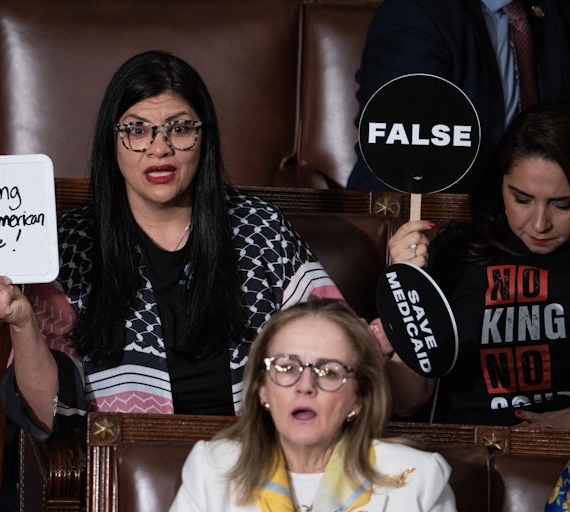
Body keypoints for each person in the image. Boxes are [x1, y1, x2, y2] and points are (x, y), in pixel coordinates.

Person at [0, 50, 342, 440]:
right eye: (137, 130)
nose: (160, 148)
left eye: (180, 128)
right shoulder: (70, 246)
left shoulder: (259, 228)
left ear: (204, 137)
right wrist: (22, 322)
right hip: (130, 470)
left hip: (255, 462)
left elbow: (343, 354)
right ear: (113, 141)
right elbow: (52, 414)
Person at [372, 100, 570, 426]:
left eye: (562, 205)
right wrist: (404, 288)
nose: (539, 224)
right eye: (521, 199)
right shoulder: (454, 252)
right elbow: (409, 402)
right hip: (464, 453)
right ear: (499, 186)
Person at [170, 296, 456, 512]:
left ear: (359, 397)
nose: (305, 386)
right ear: (262, 391)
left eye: (329, 372)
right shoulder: (211, 470)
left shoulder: (419, 480)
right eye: (286, 368)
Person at [347, 0, 570, 192]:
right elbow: (407, 156)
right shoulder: (416, 13)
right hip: (430, 210)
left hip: (536, 214)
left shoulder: (554, 9)